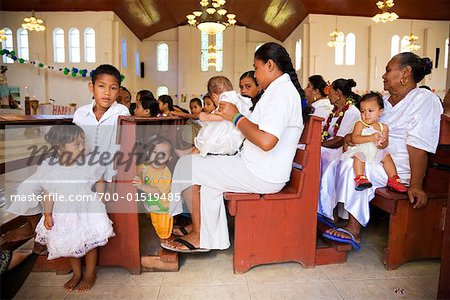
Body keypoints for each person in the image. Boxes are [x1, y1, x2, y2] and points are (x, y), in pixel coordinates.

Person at [161, 42, 304, 252]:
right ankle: (207, 238)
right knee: (207, 178)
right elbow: (256, 130)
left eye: (256, 68)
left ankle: (199, 235)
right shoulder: (277, 91)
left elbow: (266, 141)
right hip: (256, 166)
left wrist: (235, 116)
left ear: (270, 65)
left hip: (263, 173)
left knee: (188, 165)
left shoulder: (282, 93)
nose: (255, 75)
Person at [319, 52, 443, 249]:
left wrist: (416, 185)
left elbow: (418, 146)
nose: (383, 76)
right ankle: (333, 215)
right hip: (373, 155)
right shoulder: (383, 100)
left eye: (388, 70)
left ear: (406, 73)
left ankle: (354, 228)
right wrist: (352, 138)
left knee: (354, 169)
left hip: (397, 167)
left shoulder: (424, 99)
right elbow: (365, 126)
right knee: (340, 162)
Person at [33, 124, 114, 292]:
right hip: (63, 213)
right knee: (70, 244)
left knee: (90, 243)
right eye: (77, 144)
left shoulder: (88, 163)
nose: (83, 147)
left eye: (83, 142)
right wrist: (48, 213)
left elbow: (99, 180)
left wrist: (100, 201)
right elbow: (49, 191)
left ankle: (90, 273)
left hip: (86, 209)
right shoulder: (50, 167)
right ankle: (76, 273)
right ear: (60, 147)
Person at [72, 64, 130, 185]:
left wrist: (108, 176)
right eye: (101, 86)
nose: (107, 92)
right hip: (82, 172)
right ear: (91, 87)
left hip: (109, 175)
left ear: (119, 91)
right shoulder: (81, 114)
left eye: (113, 88)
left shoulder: (121, 112)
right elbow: (74, 143)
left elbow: (119, 147)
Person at [339, 92, 407, 193]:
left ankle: (394, 178)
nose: (366, 114)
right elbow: (355, 139)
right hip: (361, 148)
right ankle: (360, 177)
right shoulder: (360, 124)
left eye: (370, 111)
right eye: (363, 111)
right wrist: (371, 137)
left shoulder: (383, 127)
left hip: (375, 150)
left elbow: (385, 144)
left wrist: (381, 143)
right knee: (359, 157)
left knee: (386, 156)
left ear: (380, 112)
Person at [194, 76, 253, 156]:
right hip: (235, 134)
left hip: (226, 137)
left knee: (206, 139)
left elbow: (223, 115)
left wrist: (207, 117)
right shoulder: (236, 98)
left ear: (214, 96)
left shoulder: (225, 98)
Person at [132, 136, 174, 239]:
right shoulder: (143, 167)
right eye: (154, 152)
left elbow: (158, 192)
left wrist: (142, 186)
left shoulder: (165, 174)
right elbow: (134, 173)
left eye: (163, 154)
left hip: (163, 208)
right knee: (150, 221)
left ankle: (164, 242)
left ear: (169, 159)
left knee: (163, 231)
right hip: (150, 204)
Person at [320, 78, 361, 173]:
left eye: (330, 92)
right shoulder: (334, 111)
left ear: (338, 93)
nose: (327, 95)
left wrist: (318, 145)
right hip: (331, 146)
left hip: (342, 149)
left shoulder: (351, 111)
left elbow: (339, 140)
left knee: (314, 152)